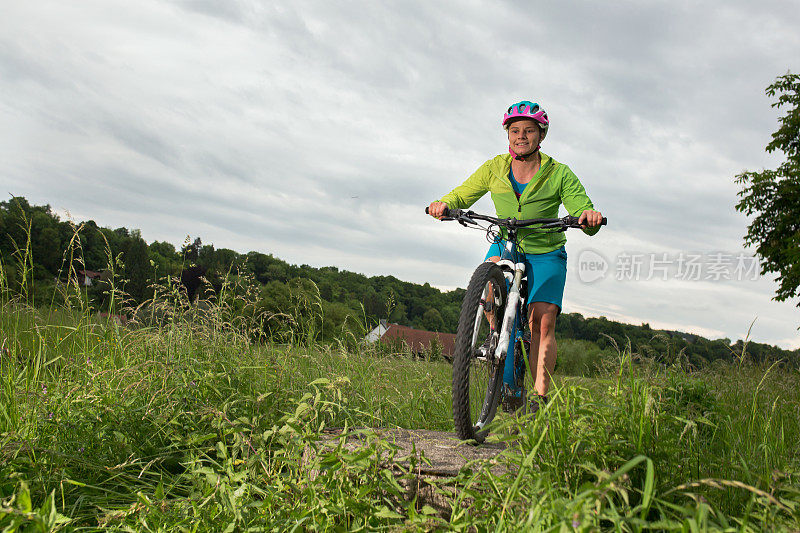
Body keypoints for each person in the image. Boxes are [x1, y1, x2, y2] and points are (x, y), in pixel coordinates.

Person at [428, 100, 603, 413]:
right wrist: (443, 204)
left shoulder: (559, 173)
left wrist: (586, 216)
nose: (521, 136)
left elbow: (580, 207)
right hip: (505, 241)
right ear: (507, 135)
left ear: (541, 135)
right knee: (488, 279)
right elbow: (463, 193)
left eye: (529, 131)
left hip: (546, 250)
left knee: (542, 321)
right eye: (515, 130)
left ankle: (539, 396)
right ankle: (496, 334)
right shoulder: (495, 167)